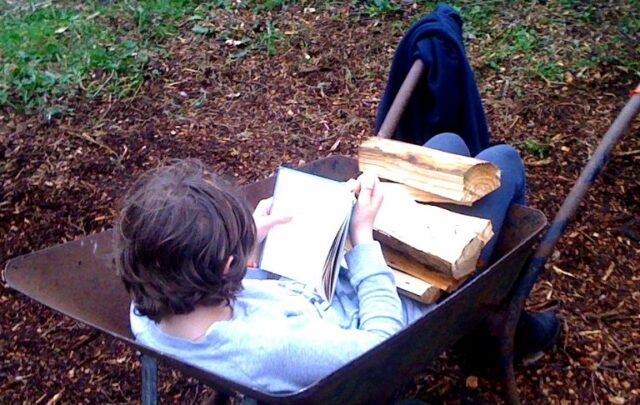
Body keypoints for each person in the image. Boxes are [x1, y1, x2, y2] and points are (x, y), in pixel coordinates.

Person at [115, 133, 551, 394]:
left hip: (324, 282)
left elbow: (211, 280)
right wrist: (362, 239)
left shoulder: (152, 307)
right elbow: (379, 349)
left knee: (448, 148)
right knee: (502, 163)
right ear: (228, 266)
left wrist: (249, 241)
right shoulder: (277, 347)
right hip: (397, 303)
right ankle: (490, 330)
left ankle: (490, 326)